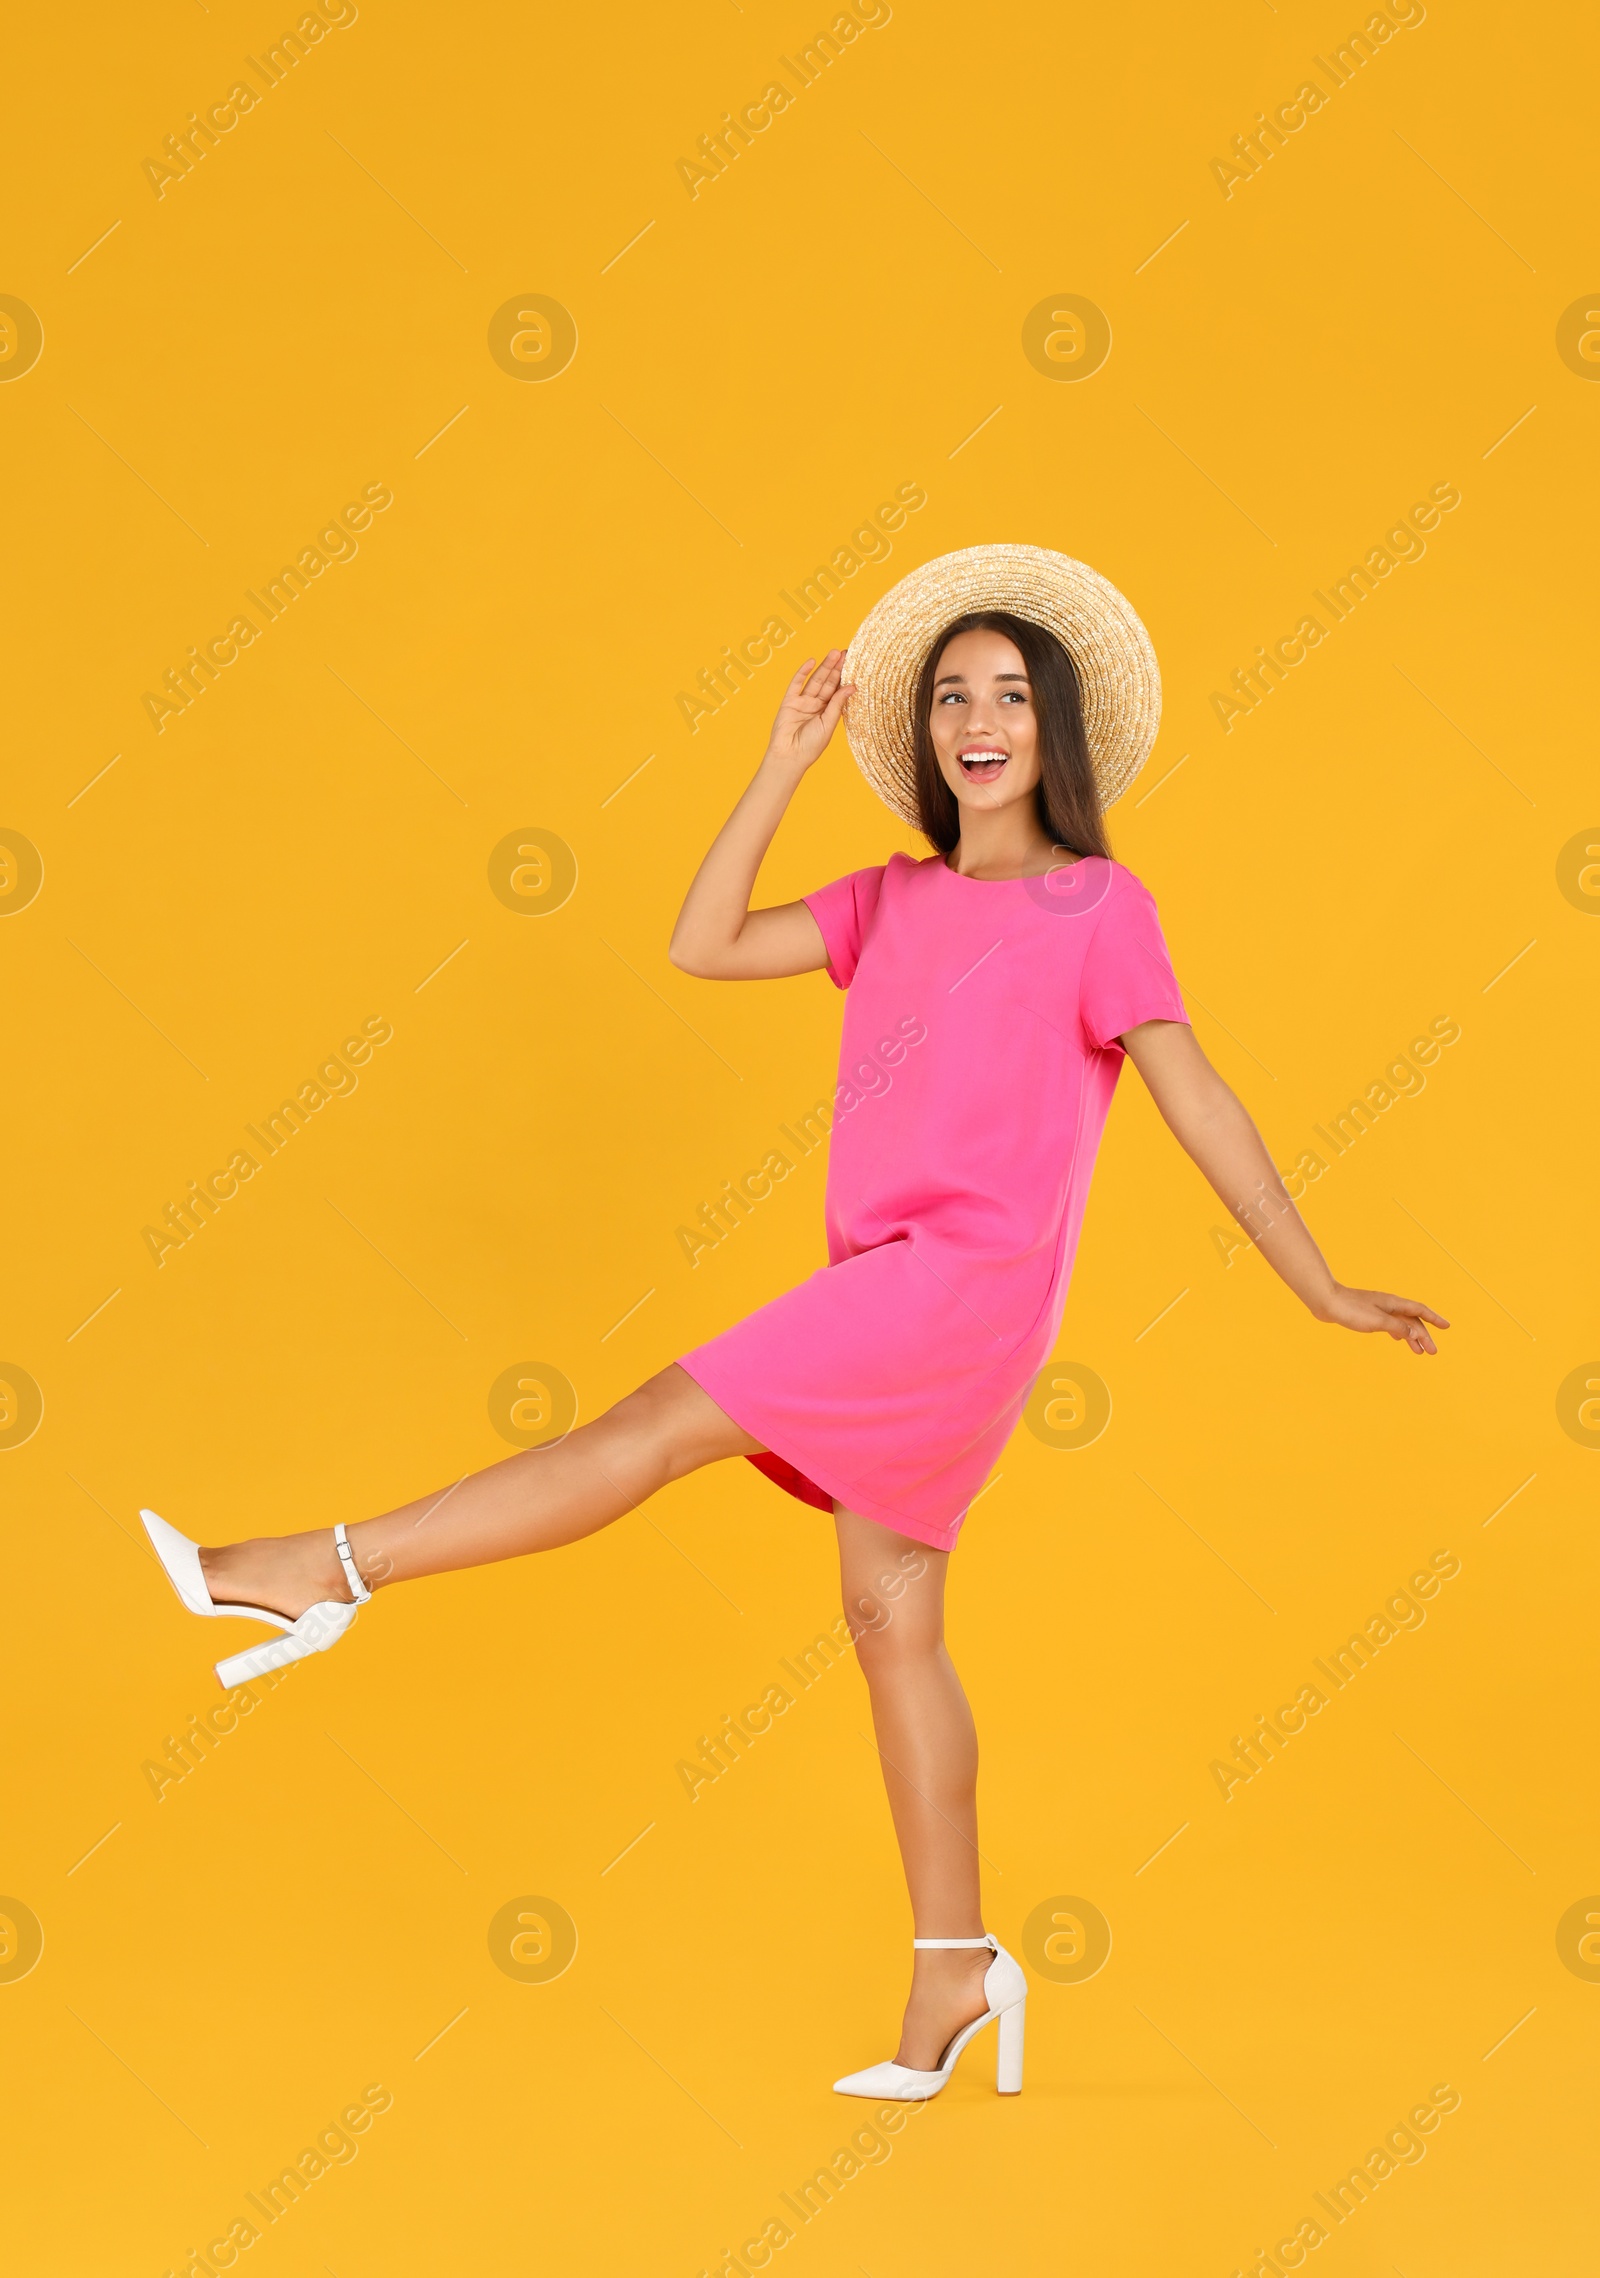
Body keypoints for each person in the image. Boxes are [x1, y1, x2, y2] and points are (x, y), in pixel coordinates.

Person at [141, 545, 1447, 2103]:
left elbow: (1198, 1094)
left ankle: (320, 1571)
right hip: (897, 1288)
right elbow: (701, 939)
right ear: (921, 733)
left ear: (1058, 730)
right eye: (952, 694)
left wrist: (1314, 1275)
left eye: (1011, 695)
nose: (978, 719)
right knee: (896, 1632)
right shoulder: (885, 899)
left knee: (644, 1429)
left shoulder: (1103, 905)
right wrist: (777, 764)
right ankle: (955, 1974)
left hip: (954, 1291)